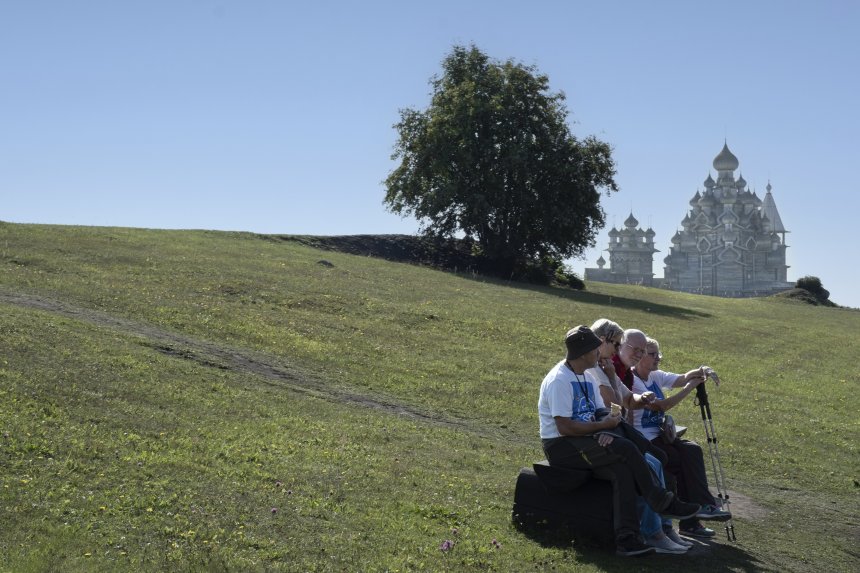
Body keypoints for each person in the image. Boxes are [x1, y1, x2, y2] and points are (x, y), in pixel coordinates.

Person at [538, 325, 700, 556]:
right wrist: (601, 427)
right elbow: (564, 427)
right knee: (625, 447)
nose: (601, 352)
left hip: (585, 437)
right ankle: (660, 500)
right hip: (562, 446)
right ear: (584, 352)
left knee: (622, 471)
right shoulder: (559, 380)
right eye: (595, 349)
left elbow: (602, 410)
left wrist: (607, 425)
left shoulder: (586, 375)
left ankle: (628, 539)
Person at [586, 320, 691, 552]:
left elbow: (627, 400)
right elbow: (613, 405)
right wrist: (611, 377)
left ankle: (663, 527)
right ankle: (653, 532)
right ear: (602, 341)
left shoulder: (607, 367)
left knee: (658, 459)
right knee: (649, 463)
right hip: (603, 435)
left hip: (613, 431)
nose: (617, 350)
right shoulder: (596, 369)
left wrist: (642, 399)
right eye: (617, 344)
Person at [631, 337, 733, 539]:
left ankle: (700, 509)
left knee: (692, 449)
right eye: (652, 354)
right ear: (640, 356)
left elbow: (682, 378)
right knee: (678, 460)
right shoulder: (633, 382)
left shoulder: (655, 375)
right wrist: (689, 388)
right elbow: (662, 406)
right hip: (645, 439)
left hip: (661, 436)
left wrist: (701, 370)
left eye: (658, 354)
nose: (657, 358)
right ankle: (694, 516)